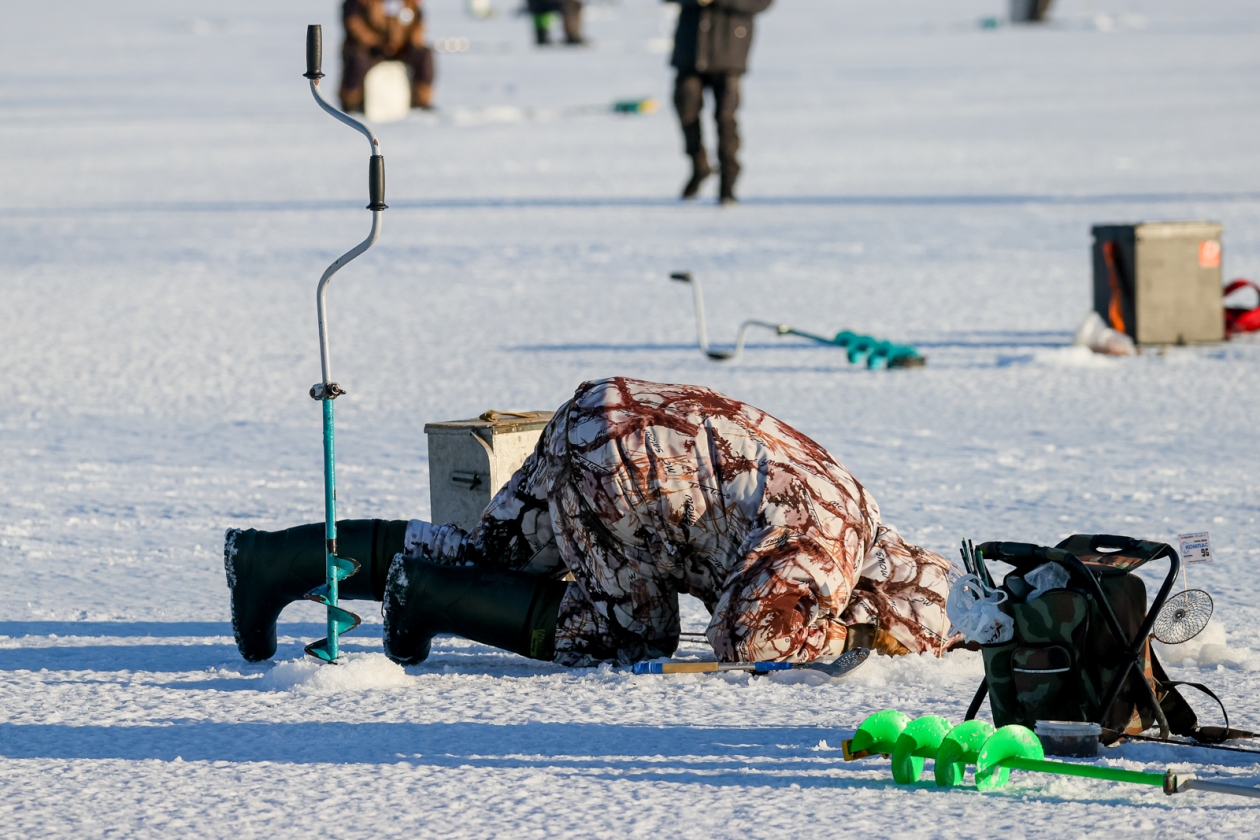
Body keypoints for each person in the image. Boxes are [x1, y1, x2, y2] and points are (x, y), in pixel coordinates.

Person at [225, 378, 956, 668]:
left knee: (495, 548)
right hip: (632, 476)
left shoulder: (851, 503)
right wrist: (852, 640)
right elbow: (751, 635)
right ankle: (423, 595)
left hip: (600, 418)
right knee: (629, 636)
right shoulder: (826, 548)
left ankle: (270, 559)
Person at [667, 0, 772, 204]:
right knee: (686, 110)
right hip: (690, 49)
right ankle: (699, 165)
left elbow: (762, 3)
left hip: (729, 52)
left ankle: (728, 180)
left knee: (725, 117)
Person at [340, 0, 436, 112]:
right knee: (358, 61)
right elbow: (354, 24)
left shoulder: (410, 3)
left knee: (424, 55)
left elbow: (418, 27)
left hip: (400, 50)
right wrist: (374, 44)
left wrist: (410, 44)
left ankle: (421, 103)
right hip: (369, 49)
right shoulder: (359, 3)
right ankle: (351, 103)